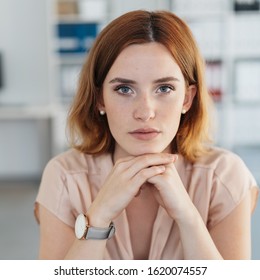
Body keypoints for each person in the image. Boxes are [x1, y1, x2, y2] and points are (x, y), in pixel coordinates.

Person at [34, 10, 259, 260]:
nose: (145, 112)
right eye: (124, 89)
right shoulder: (65, 177)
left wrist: (188, 217)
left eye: (164, 88)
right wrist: (98, 217)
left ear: (187, 98)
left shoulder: (224, 176)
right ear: (100, 99)